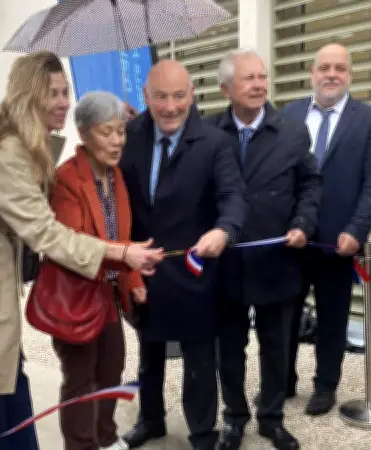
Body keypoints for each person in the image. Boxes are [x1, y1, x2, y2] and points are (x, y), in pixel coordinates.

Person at [0, 52, 163, 450]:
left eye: (65, 92)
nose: (61, 102)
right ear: (28, 95)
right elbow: (46, 232)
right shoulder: (9, 149)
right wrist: (123, 255)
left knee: (6, 388)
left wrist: (132, 124)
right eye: (51, 93)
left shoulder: (27, 141)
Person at [119, 60, 248, 450]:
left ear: (192, 95)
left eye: (179, 96)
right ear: (146, 97)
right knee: (149, 352)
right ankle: (151, 419)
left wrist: (223, 231)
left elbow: (234, 198)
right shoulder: (129, 136)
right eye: (161, 96)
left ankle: (203, 433)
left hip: (195, 270)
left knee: (199, 362)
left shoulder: (214, 142)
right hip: (146, 266)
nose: (171, 106)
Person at [207, 49, 321, 450]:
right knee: (230, 349)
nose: (258, 85)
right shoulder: (208, 132)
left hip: (278, 257)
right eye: (247, 79)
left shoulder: (290, 130)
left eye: (262, 77)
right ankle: (234, 418)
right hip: (228, 262)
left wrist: (303, 224)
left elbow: (311, 184)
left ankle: (272, 418)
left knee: (276, 347)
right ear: (226, 89)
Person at [281, 43, 371, 416]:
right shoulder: (289, 115)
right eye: (324, 67)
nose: (331, 74)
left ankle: (325, 386)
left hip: (338, 242)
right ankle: (283, 380)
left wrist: (357, 231)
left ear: (350, 75)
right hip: (293, 240)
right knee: (286, 315)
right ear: (312, 72)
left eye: (339, 68)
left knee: (332, 318)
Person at [49, 91, 146, 450]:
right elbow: (74, 246)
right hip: (76, 294)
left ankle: (104, 438)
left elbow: (124, 234)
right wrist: (125, 258)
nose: (118, 140)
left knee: (111, 368)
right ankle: (81, 445)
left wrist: (132, 279)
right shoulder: (66, 179)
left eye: (121, 131)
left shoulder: (116, 176)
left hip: (106, 292)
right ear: (85, 133)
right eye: (108, 132)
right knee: (80, 378)